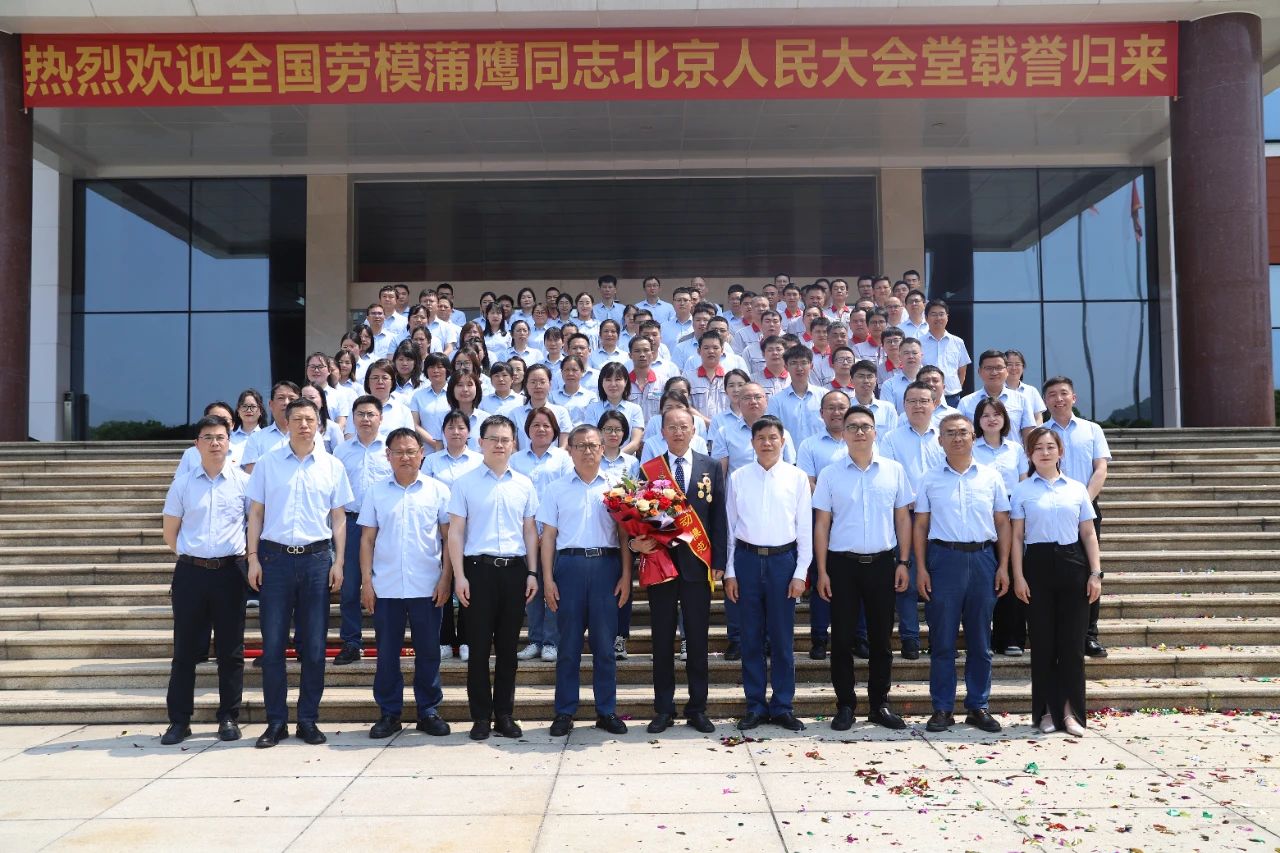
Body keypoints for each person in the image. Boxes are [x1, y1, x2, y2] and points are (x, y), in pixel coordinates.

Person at [246, 397, 354, 748]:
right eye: (297, 419)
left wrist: (339, 562)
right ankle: (276, 722)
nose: (304, 425)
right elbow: (256, 513)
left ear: (319, 424)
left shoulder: (332, 466)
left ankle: (308, 719)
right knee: (273, 645)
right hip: (275, 559)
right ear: (286, 422)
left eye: (310, 419)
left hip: (316, 560)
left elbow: (339, 518)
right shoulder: (268, 462)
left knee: (315, 646)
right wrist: (253, 558)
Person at [813, 404, 914, 731]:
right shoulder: (830, 474)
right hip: (842, 566)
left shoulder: (893, 470)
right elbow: (822, 524)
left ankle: (878, 704)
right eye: (852, 426)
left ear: (875, 432)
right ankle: (845, 705)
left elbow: (903, 518)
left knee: (881, 640)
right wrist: (822, 571)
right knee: (842, 639)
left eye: (865, 426)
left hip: (883, 564)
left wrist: (903, 561)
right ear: (843, 434)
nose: (859, 432)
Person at [914, 412, 1011, 734]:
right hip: (943, 560)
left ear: (974, 437)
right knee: (942, 641)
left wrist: (1003, 566)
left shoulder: (991, 476)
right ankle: (942, 708)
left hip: (983, 559)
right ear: (940, 440)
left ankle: (978, 706)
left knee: (981, 641)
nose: (957, 438)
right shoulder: (929, 478)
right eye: (950, 433)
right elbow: (921, 525)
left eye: (963, 432)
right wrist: (921, 568)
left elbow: (1002, 523)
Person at [634, 406, 727, 735]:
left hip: (698, 565)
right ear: (662, 432)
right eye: (671, 427)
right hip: (662, 565)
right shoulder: (649, 469)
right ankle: (663, 709)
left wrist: (719, 562)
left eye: (684, 426)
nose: (678, 431)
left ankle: (697, 708)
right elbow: (640, 517)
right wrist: (637, 543)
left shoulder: (710, 466)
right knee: (661, 640)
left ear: (693, 431)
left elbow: (718, 517)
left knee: (698, 640)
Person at [448, 415, 540, 741]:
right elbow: (456, 533)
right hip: (478, 571)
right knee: (477, 649)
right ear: (480, 442)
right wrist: (459, 576)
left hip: (514, 572)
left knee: (507, 649)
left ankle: (504, 714)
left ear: (514, 444)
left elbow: (530, 532)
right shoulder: (465, 483)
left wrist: (532, 572)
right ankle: (480, 717)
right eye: (493, 439)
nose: (499, 445)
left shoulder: (524, 484)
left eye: (505, 439)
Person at [159, 414, 249, 745]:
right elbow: (170, 532)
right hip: (191, 573)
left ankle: (228, 717)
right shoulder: (183, 484)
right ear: (197, 444)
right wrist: (193, 556)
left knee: (231, 651)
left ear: (229, 443)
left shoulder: (243, 482)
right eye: (207, 437)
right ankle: (179, 721)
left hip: (230, 573)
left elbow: (253, 526)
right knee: (184, 650)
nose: (214, 443)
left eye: (220, 437)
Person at [358, 428, 453, 739]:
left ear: (422, 454)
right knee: (387, 654)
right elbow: (367, 540)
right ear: (388, 455)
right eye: (398, 452)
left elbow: (448, 538)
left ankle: (429, 710)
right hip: (386, 587)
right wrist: (367, 582)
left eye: (411, 451)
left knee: (429, 652)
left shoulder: (438, 491)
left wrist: (446, 578)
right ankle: (389, 713)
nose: (405, 457)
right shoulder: (376, 492)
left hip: (428, 586)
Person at [1010, 427, 1103, 738]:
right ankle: (1047, 712)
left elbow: (1088, 533)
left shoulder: (1076, 489)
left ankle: (1071, 712)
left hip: (1073, 564)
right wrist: (1018, 576)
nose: (1045, 452)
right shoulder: (1022, 490)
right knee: (1043, 645)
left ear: (1060, 452)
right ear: (1030, 454)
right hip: (1036, 566)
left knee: (1072, 645)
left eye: (1051, 447)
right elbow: (1017, 537)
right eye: (1038, 448)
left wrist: (1095, 573)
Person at [541, 425, 631, 736]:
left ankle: (606, 711)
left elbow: (624, 535)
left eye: (593, 445)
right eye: (580, 445)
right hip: (569, 567)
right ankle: (565, 711)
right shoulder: (556, 489)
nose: (588, 451)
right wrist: (548, 579)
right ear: (570, 450)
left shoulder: (617, 486)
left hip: (607, 567)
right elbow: (548, 537)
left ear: (603, 448)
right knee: (568, 645)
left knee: (605, 646)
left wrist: (626, 575)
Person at [724, 415, 812, 732]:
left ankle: (783, 705)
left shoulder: (796, 477)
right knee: (750, 638)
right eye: (761, 437)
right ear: (752, 442)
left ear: (783, 441)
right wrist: (730, 572)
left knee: (782, 639)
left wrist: (801, 572)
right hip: (747, 560)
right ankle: (755, 706)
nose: (767, 443)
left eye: (773, 437)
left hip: (782, 562)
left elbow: (805, 528)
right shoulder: (738, 477)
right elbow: (730, 528)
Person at [1043, 376, 1111, 658]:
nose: (1058, 399)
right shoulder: (1039, 433)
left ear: (1074, 398)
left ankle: (1088, 635)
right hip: (1049, 511)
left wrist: (1083, 502)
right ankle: (1057, 634)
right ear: (1045, 401)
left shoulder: (1092, 429)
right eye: (1052, 395)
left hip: (1086, 510)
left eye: (1063, 393)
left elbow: (1100, 469)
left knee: (1089, 571)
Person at [332, 395, 393, 667]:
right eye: (360, 414)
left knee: (385, 584)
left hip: (384, 526)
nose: (366, 419)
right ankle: (351, 642)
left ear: (381, 418)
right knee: (349, 587)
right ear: (353, 418)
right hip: (351, 524)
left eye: (371, 414)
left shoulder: (391, 449)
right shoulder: (341, 452)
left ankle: (386, 640)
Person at [512, 407, 574, 663]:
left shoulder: (563, 458)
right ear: (527, 429)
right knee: (531, 590)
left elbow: (568, 494)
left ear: (555, 430)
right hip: (524, 534)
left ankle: (551, 641)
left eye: (546, 425)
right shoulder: (516, 460)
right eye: (536, 425)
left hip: (555, 534)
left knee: (553, 588)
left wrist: (548, 530)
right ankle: (534, 639)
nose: (541, 429)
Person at [796, 389, 851, 660]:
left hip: (854, 522)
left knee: (855, 584)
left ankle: (858, 637)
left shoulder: (862, 440)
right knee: (821, 579)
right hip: (821, 521)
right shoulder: (809, 445)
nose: (836, 412)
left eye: (842, 407)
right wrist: (837, 500)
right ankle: (819, 639)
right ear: (821, 413)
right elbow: (808, 482)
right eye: (831, 407)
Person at [424, 409, 484, 662]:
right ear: (443, 432)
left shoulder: (479, 460)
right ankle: (445, 638)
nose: (456, 432)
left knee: (471, 584)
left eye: (461, 427)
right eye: (451, 427)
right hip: (440, 530)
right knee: (443, 582)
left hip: (471, 532)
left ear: (468, 432)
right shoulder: (432, 461)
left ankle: (468, 638)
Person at [973, 397, 1029, 658]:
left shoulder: (1015, 449)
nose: (991, 419)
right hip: (982, 514)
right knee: (986, 576)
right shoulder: (971, 448)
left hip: (1012, 513)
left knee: (1013, 572)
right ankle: (984, 638)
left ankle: (1011, 638)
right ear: (978, 421)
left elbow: (1023, 483)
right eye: (985, 415)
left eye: (996, 414)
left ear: (1005, 419)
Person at [959, 350, 1036, 439]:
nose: (994, 372)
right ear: (979, 372)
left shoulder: (1021, 400)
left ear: (1007, 371)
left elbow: (1029, 436)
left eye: (999, 367)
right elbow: (960, 434)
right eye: (988, 368)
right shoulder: (966, 403)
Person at [765, 345, 824, 446]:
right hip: (791, 454)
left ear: (811, 365)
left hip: (820, 452)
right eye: (793, 363)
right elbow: (772, 431)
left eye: (804, 363)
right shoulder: (776, 400)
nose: (799, 368)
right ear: (786, 367)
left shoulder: (824, 395)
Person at [584, 362, 645, 455]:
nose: (613, 384)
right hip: (598, 460)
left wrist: (615, 457)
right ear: (601, 383)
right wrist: (605, 458)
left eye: (618, 379)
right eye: (608, 380)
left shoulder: (635, 409)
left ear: (626, 382)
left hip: (627, 460)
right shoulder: (592, 409)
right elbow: (590, 439)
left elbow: (635, 443)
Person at [919, 300, 971, 407]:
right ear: (926, 318)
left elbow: (962, 370)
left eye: (941, 314)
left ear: (947, 317)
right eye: (934, 314)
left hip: (952, 397)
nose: (938, 318)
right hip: (927, 396)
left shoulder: (958, 342)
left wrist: (956, 388)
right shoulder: (919, 343)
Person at [1004, 349, 1045, 426]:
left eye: (1017, 364)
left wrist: (1033, 433)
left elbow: (1038, 418)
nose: (1014, 368)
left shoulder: (1032, 391)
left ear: (1023, 368)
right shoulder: (998, 391)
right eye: (1009, 364)